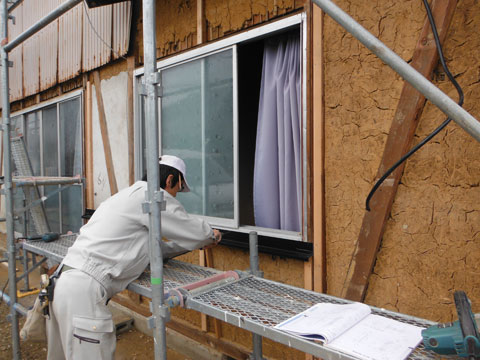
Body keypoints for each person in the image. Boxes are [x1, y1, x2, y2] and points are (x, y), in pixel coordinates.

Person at [46, 155, 222, 360]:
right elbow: (198, 233)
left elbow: (155, 250)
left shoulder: (126, 196)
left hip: (64, 283)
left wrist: (184, 245)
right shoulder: (152, 197)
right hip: (83, 292)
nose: (176, 196)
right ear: (169, 180)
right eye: (178, 189)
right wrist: (212, 235)